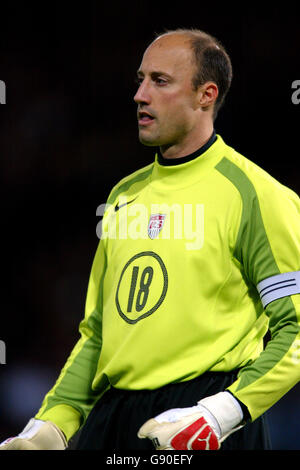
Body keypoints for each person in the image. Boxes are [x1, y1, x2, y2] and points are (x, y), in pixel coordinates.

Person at [1, 28, 300, 451]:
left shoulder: (256, 195)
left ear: (206, 95)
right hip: (113, 418)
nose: (140, 95)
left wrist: (223, 412)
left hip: (203, 417)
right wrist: (54, 420)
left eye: (159, 81)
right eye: (140, 80)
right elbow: (99, 333)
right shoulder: (123, 196)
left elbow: (296, 328)